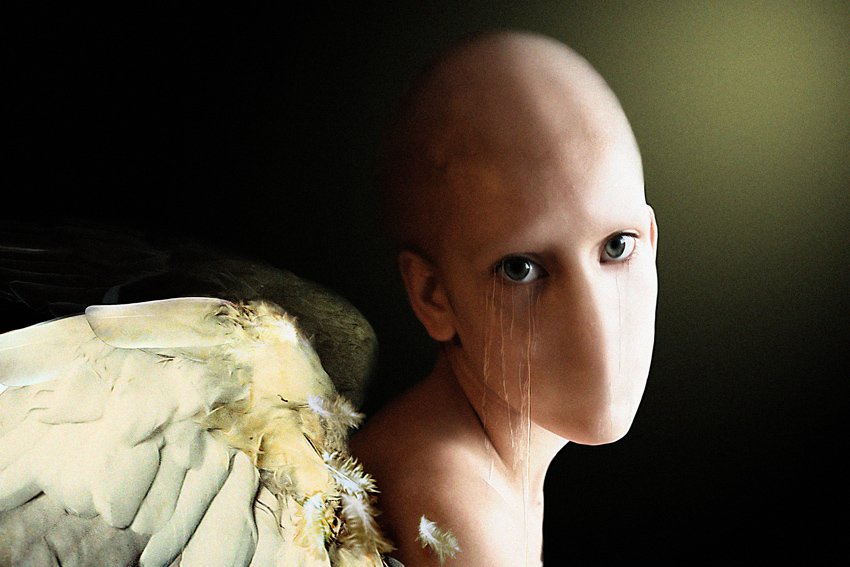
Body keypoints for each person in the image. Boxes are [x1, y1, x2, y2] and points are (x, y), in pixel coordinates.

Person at [350, 29, 659, 566]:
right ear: (433, 295)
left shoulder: (486, 476)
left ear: (651, 241)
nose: (595, 330)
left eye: (617, 247)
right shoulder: (455, 509)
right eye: (521, 270)